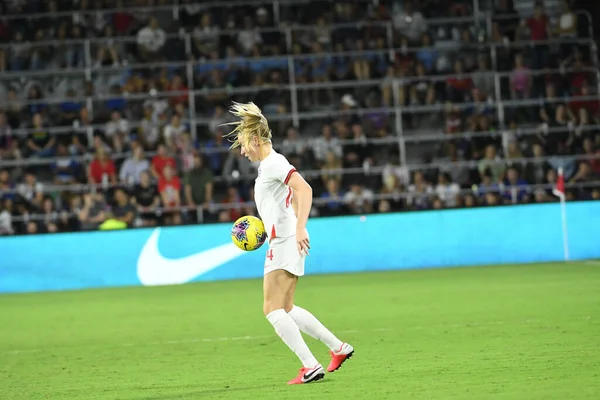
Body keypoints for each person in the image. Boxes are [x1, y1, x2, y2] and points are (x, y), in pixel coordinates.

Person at [223, 102, 354, 385]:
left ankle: (310, 366)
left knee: (271, 309)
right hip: (285, 238)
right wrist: (294, 222)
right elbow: (292, 194)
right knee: (288, 307)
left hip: (283, 241)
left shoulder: (273, 163)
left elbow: (304, 188)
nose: (243, 151)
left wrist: (300, 226)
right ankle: (338, 348)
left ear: (256, 140)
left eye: (244, 144)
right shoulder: (269, 166)